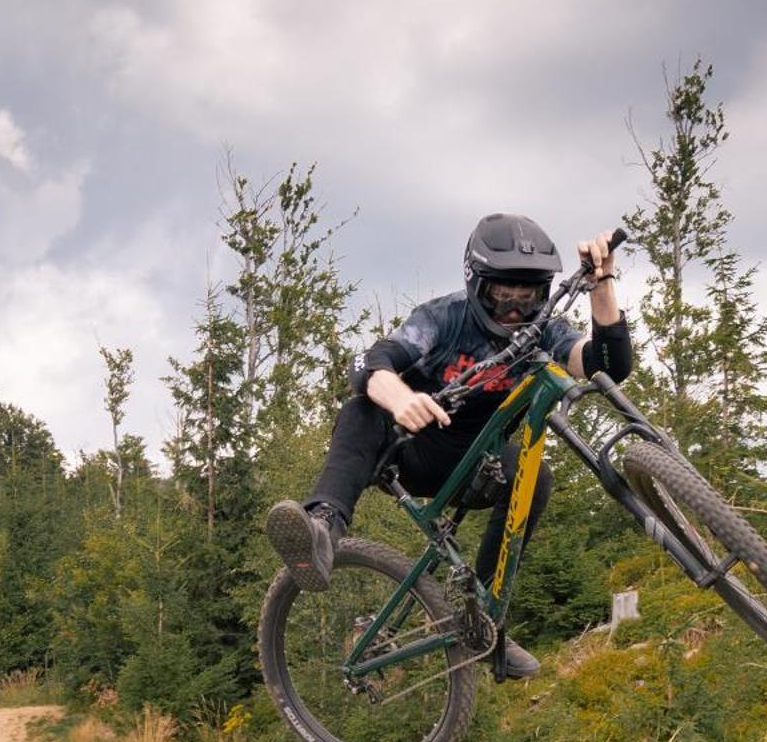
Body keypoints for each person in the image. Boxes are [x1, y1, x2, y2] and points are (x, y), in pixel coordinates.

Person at [265, 213, 633, 679]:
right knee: (361, 408)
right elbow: (369, 361)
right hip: (414, 453)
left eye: (529, 298)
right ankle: (321, 527)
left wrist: (602, 283)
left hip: (477, 468)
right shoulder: (442, 319)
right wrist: (400, 397)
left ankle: (481, 616)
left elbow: (607, 364)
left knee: (535, 473)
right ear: (477, 284)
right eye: (503, 297)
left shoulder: (545, 332)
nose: (515, 312)